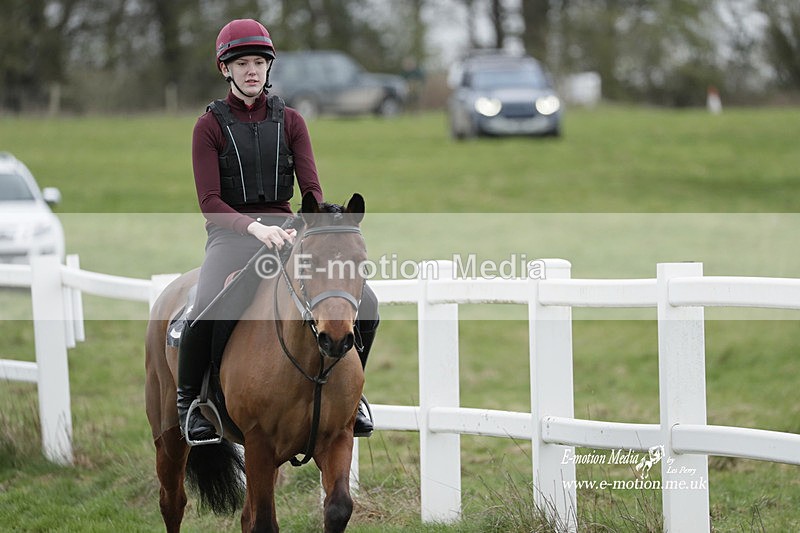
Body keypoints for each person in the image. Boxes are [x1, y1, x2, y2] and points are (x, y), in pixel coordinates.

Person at [178, 18, 377, 444]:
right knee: (206, 306)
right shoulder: (208, 127)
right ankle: (190, 403)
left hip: (288, 232)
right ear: (225, 69)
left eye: (259, 62)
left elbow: (311, 191)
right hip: (231, 236)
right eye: (242, 63)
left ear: (269, 66)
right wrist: (253, 228)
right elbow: (209, 202)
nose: (252, 70)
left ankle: (352, 395)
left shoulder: (292, 121)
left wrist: (319, 226)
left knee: (369, 303)